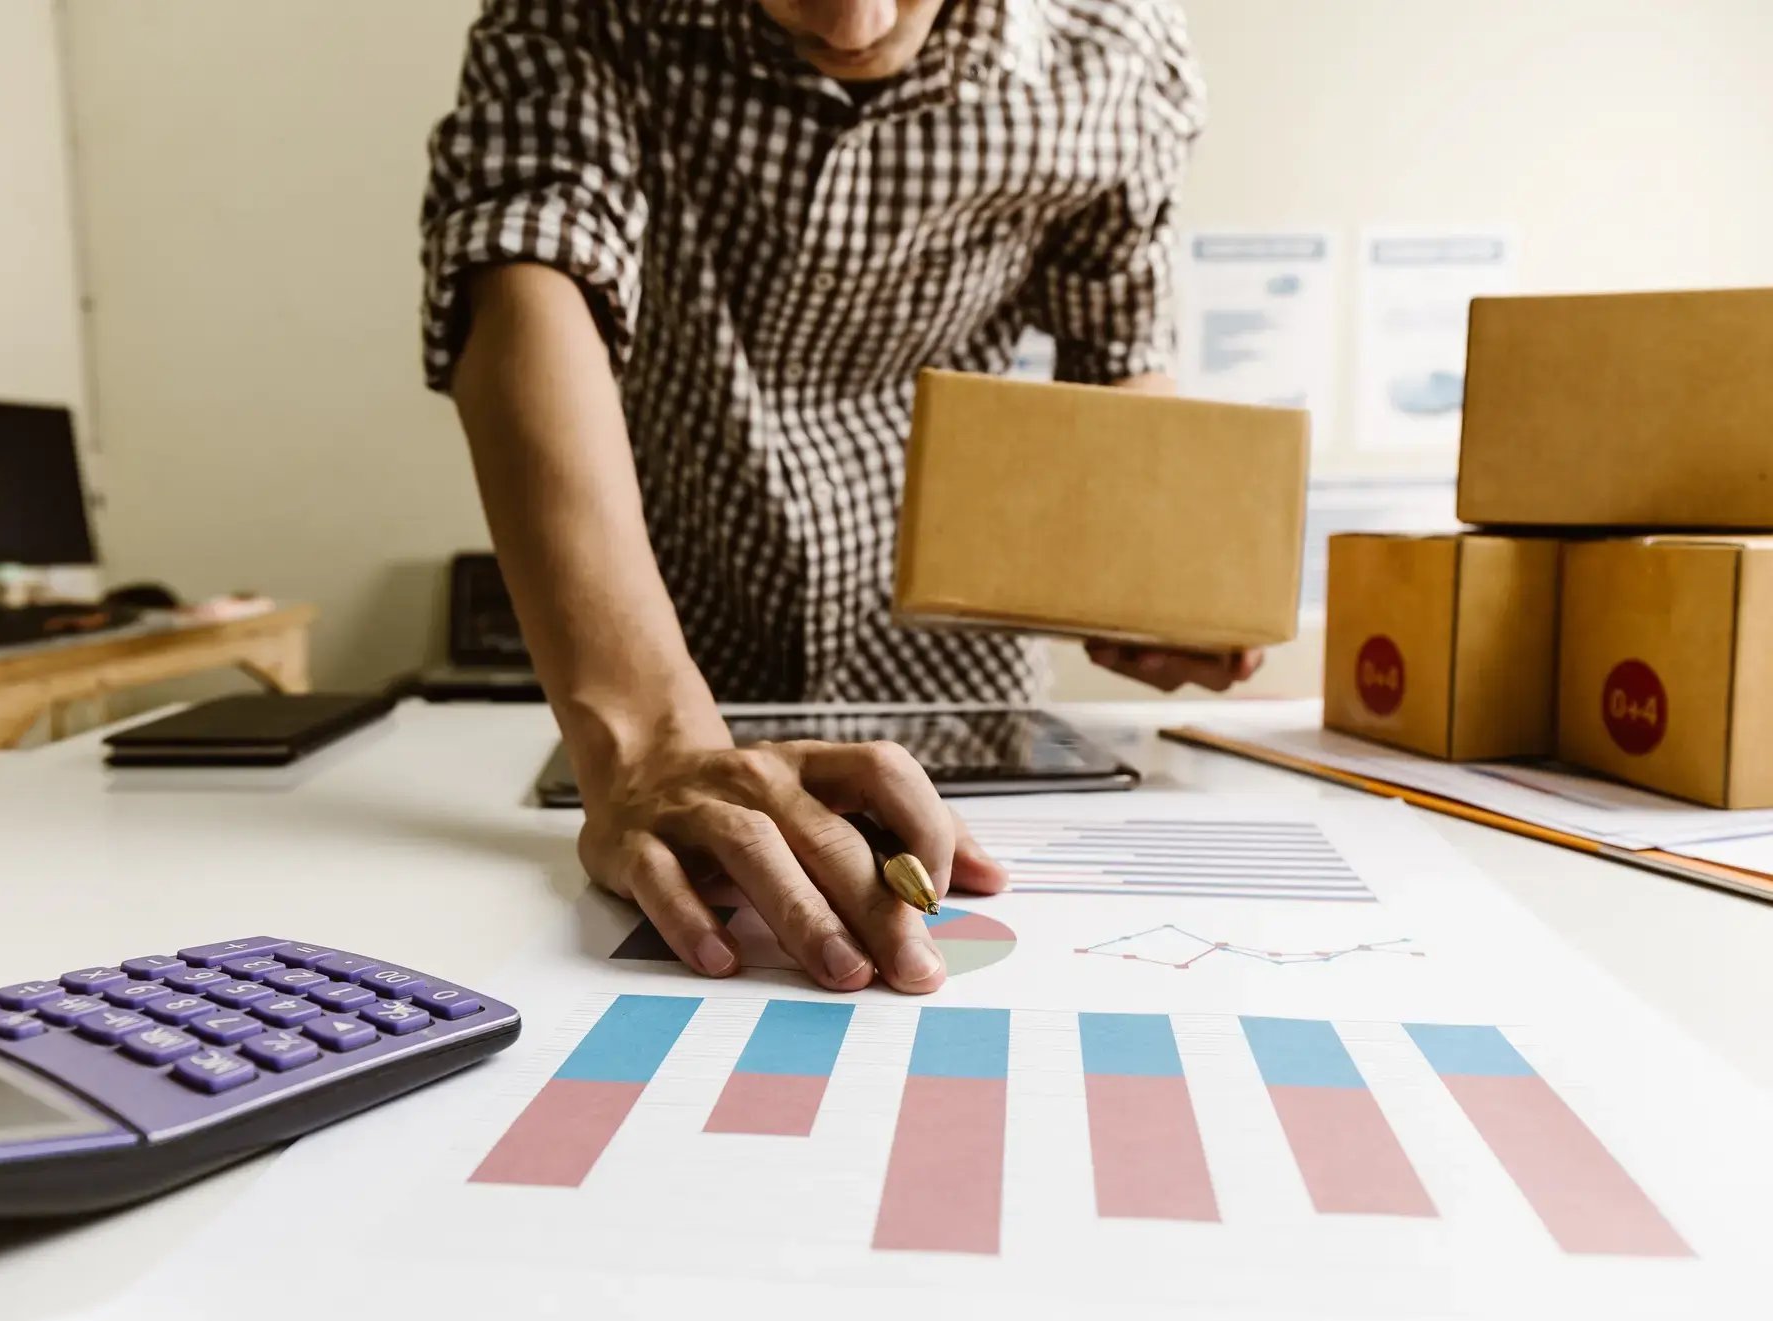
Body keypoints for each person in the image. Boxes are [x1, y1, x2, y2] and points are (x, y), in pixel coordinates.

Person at [420, 0, 1260, 996]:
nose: (854, 27)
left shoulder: (1118, 46)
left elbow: (1117, 373)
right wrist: (650, 741)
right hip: (668, 648)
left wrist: (1145, 576)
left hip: (961, 696)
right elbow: (527, 264)